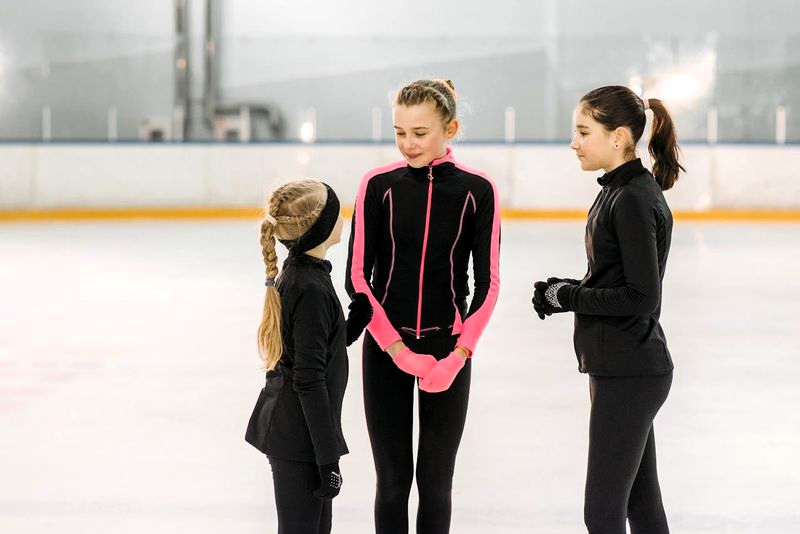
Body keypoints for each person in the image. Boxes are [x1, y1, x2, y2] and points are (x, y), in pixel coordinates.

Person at [346, 79, 501, 534]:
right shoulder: (377, 184)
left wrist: (458, 355)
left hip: (448, 353)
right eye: (400, 132)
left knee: (436, 483)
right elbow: (358, 277)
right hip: (386, 351)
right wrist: (398, 350)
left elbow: (488, 283)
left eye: (420, 132)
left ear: (449, 129)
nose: (408, 143)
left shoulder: (478, 189)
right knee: (392, 482)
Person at [532, 85, 685, 534]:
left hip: (630, 369)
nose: (574, 142)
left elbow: (642, 296)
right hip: (623, 365)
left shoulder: (633, 197)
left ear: (618, 136)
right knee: (641, 505)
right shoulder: (619, 190)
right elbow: (615, 281)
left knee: (601, 512)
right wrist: (566, 290)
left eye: (583, 131)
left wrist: (570, 297)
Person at [245, 179, 373, 534]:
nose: (342, 217)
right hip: (298, 438)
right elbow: (308, 378)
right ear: (321, 227)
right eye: (335, 211)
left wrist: (354, 324)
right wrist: (327, 458)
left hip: (299, 432)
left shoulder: (306, 275)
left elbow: (315, 347)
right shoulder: (309, 287)